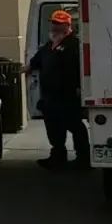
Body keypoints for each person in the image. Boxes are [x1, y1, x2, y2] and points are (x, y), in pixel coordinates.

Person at [28, 9, 89, 170]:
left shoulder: (74, 45)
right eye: (53, 23)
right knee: (54, 128)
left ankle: (84, 159)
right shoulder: (49, 45)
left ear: (67, 26)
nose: (54, 27)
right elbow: (36, 61)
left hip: (67, 95)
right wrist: (26, 68)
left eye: (59, 24)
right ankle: (57, 158)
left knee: (75, 126)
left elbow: (78, 69)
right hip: (49, 96)